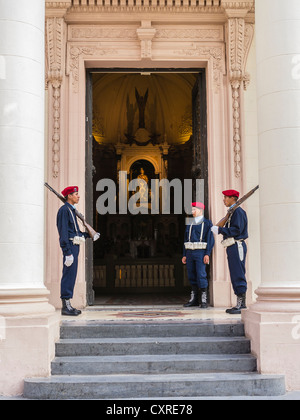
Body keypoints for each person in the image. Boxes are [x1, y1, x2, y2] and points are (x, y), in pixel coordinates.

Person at [57, 186, 100, 316]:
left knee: (72, 275)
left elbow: (75, 232)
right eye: (76, 194)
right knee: (68, 275)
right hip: (70, 247)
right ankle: (66, 306)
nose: (78, 196)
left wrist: (90, 235)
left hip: (74, 246)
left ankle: (69, 304)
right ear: (69, 196)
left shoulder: (71, 211)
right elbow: (63, 233)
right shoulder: (64, 210)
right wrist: (67, 252)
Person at [211, 189, 248, 314]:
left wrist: (221, 230)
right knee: (234, 273)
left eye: (226, 197)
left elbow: (237, 230)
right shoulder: (233, 212)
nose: (224, 199)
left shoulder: (238, 212)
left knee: (238, 273)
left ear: (233, 198)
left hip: (237, 245)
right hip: (232, 246)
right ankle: (239, 302)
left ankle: (241, 304)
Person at [182, 202, 215, 308]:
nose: (192, 212)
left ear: (200, 210)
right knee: (191, 275)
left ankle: (203, 299)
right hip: (190, 252)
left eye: (194, 210)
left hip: (200, 252)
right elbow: (185, 239)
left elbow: (210, 239)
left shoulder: (207, 223)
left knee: (201, 274)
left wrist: (207, 254)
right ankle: (194, 299)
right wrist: (184, 254)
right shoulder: (190, 223)